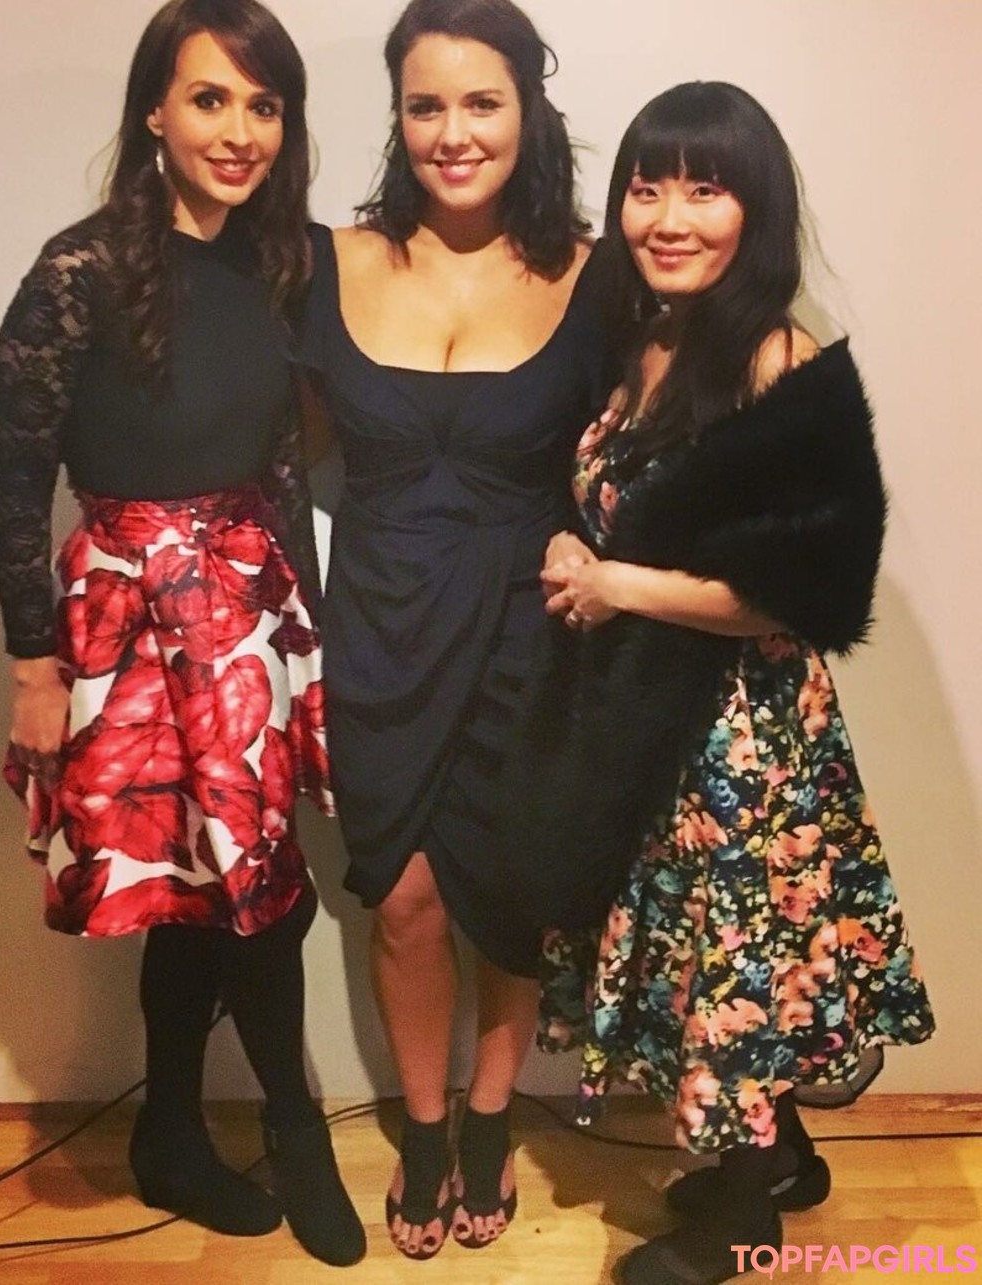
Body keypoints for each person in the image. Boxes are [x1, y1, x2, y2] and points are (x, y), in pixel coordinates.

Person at [514, 81, 936, 1285]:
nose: (669, 216)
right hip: (657, 719)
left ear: (757, 207)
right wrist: (576, 548)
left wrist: (622, 586)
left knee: (736, 969)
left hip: (745, 743)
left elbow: (809, 588)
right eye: (647, 186)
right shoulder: (646, 342)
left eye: (705, 188)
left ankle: (743, 1225)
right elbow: (623, 509)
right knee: (705, 957)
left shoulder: (778, 360)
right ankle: (784, 1158)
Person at [0, 0, 364, 1267]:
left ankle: (200, 1130)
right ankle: (240, 1133)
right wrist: (31, 666)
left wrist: (309, 643)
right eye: (211, 99)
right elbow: (17, 481)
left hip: (250, 617)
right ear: (155, 108)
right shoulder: (78, 271)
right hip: (124, 629)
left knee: (248, 893)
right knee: (189, 895)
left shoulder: (287, 265)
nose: (240, 130)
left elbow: (282, 469)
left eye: (265, 105)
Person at [296, 0, 609, 1259]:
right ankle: (424, 1131)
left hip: (531, 629)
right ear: (397, 116)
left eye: (482, 102)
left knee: (512, 900)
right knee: (406, 901)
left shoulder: (597, 270)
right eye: (426, 105)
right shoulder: (327, 260)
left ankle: (492, 1118)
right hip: (378, 620)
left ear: (528, 108)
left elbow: (653, 439)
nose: (454, 132)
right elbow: (268, 440)